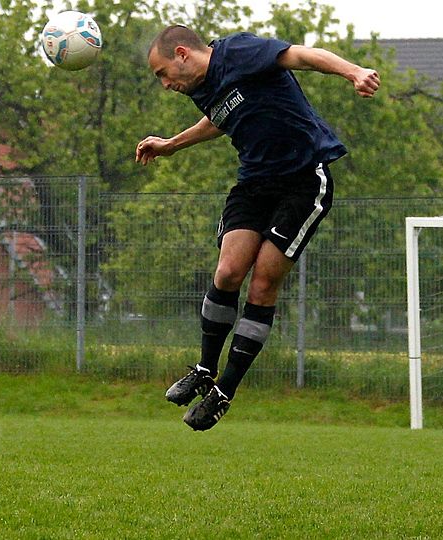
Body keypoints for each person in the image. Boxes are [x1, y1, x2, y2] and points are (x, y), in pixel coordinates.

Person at [135, 25, 380, 431]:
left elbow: (303, 55)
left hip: (303, 182)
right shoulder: (200, 86)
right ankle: (203, 368)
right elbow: (220, 118)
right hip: (254, 183)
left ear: (181, 54)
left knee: (263, 284)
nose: (164, 85)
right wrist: (171, 144)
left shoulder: (240, 52)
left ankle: (223, 392)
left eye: (162, 73)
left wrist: (353, 71)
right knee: (229, 272)